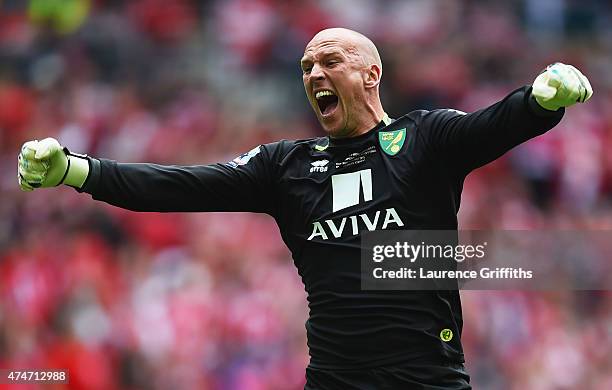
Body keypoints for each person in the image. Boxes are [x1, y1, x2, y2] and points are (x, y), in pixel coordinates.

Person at [18, 28, 592, 389]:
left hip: (426, 376)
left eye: (331, 61)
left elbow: (495, 125)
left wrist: (541, 101)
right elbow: (179, 186)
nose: (315, 73)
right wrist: (75, 169)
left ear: (371, 74)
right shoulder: (286, 166)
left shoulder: (426, 139)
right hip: (336, 378)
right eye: (306, 67)